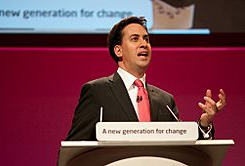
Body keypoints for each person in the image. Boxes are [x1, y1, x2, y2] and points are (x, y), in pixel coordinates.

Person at [65, 16, 226, 141]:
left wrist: (204, 123)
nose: (144, 44)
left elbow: (182, 144)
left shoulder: (165, 100)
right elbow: (75, 146)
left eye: (146, 39)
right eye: (135, 39)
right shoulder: (97, 92)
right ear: (118, 50)